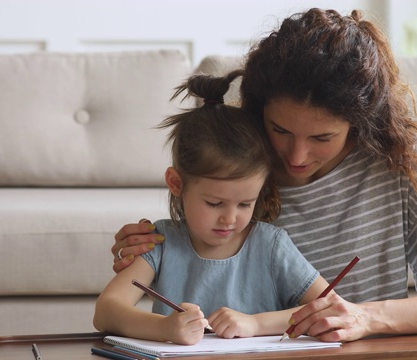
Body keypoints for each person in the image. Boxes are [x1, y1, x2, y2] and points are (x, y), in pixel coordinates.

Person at [111, 8, 417, 342]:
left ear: (359, 123)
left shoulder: (402, 163)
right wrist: (150, 246)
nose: (296, 156)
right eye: (279, 130)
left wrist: (364, 318)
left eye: (322, 137)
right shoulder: (241, 158)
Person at [93, 71, 330, 345]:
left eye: (245, 203)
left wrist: (255, 323)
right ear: (176, 183)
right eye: (214, 203)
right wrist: (165, 328)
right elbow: (105, 311)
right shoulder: (161, 241)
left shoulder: (271, 244)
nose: (230, 218)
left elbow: (328, 306)